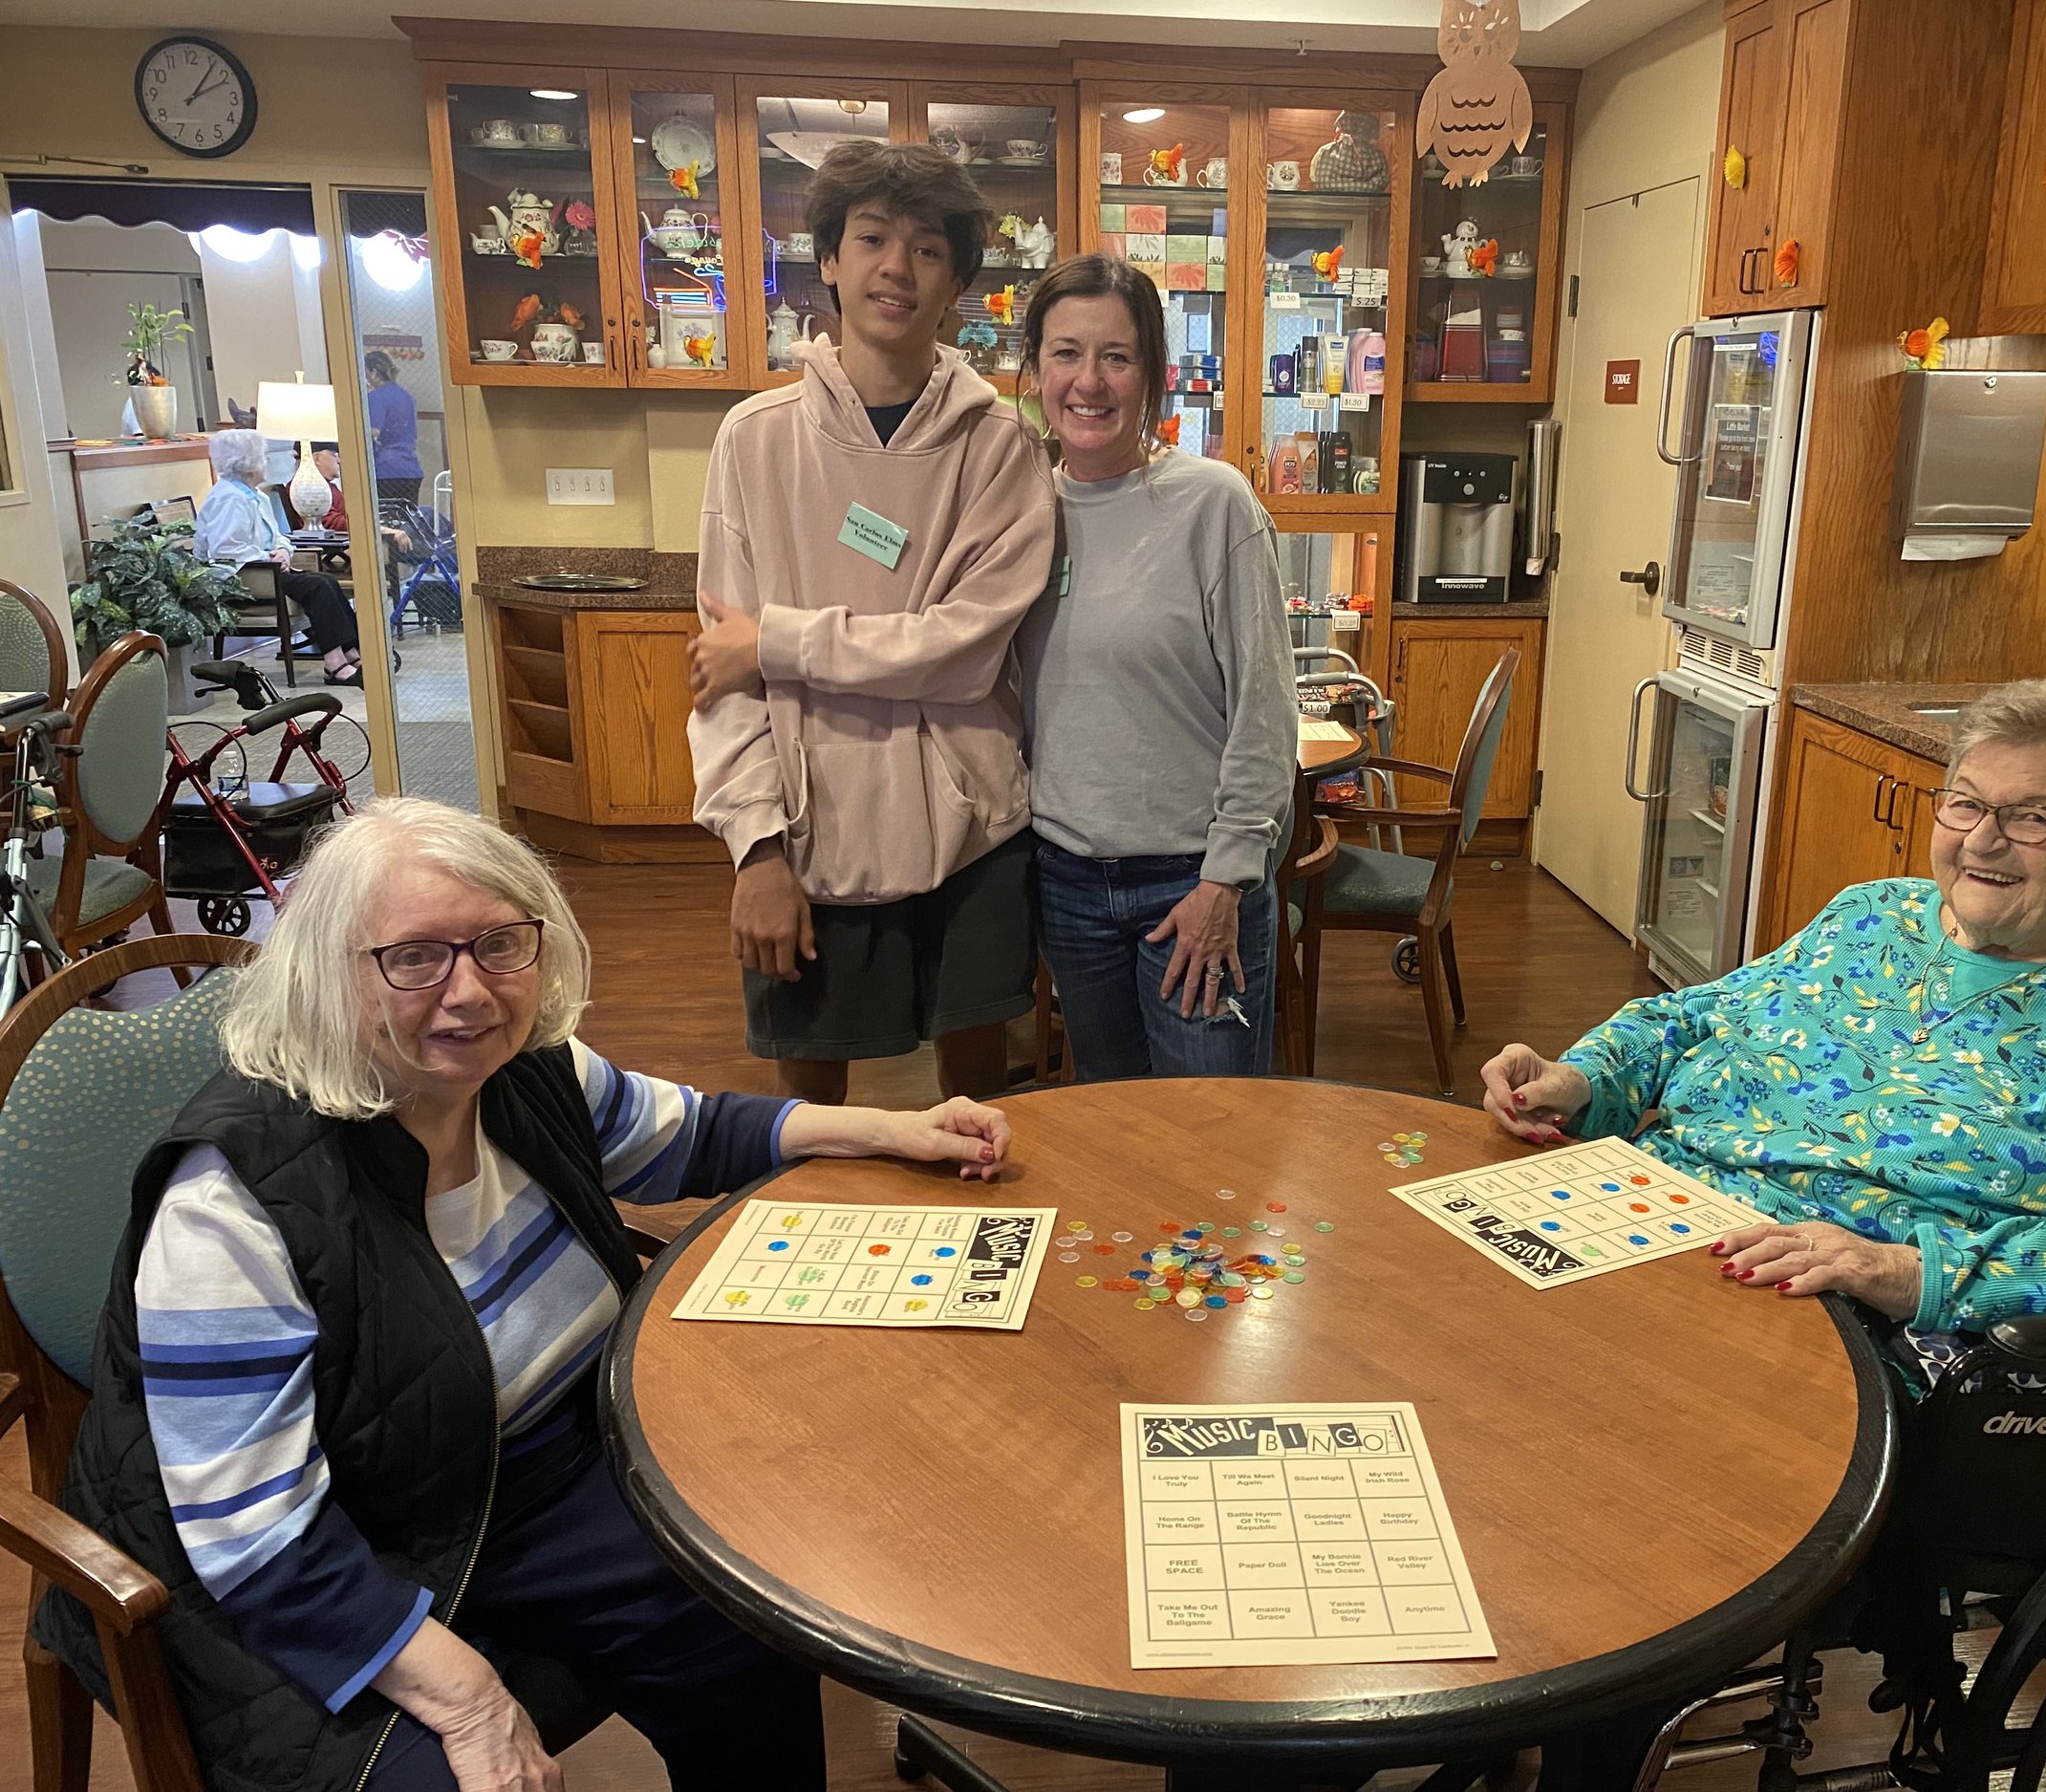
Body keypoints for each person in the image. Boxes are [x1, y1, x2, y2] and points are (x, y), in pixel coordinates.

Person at [36, 797, 1010, 1792]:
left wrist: (891, 1129)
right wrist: (467, 1695)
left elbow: (691, 1133)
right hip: (339, 1548)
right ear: (327, 972)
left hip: (540, 1470)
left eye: (499, 944)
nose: (469, 992)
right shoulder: (230, 1203)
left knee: (752, 1627)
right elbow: (257, 1538)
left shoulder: (521, 1067)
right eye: (414, 958)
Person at [1485, 679, 2046, 1788]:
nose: (1983, 841)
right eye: (1964, 804)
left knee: (1603, 1500)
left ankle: (1565, 1707)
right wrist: (1585, 1075)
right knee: (1439, 1354)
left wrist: (1922, 1270)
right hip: (1658, 1228)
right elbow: (1693, 1016)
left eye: (2034, 817)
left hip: (1872, 1330)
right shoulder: (1867, 918)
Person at [685, 141, 1055, 1106]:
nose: (897, 267)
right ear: (830, 262)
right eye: (873, 240)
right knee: (813, 1137)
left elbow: (965, 654)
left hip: (975, 836)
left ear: (959, 280)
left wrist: (777, 640)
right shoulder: (756, 440)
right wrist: (755, 848)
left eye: (928, 249)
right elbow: (720, 681)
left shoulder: (1002, 446)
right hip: (812, 832)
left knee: (981, 1122)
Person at [1015, 255, 1297, 1076]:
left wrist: (1228, 880)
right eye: (1066, 353)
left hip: (1195, 880)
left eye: (1117, 356)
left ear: (1154, 376)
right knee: (1115, 1130)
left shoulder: (1214, 503)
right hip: (1066, 882)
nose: (1089, 382)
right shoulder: (1016, 507)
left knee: (1212, 1141)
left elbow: (1266, 709)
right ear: (1034, 369)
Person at [194, 427, 365, 686]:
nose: (268, 462)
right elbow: (225, 551)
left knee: (326, 581)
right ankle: (334, 663)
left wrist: (283, 550)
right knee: (318, 586)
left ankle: (351, 653)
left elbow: (279, 537)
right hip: (244, 577)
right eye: (263, 457)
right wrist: (268, 557)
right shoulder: (228, 499)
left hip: (268, 570)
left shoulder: (256, 496)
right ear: (249, 463)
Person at [366, 351, 423, 507]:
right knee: (407, 519)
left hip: (386, 469)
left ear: (374, 372)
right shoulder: (406, 396)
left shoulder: (376, 397)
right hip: (411, 469)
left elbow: (374, 431)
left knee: (386, 520)